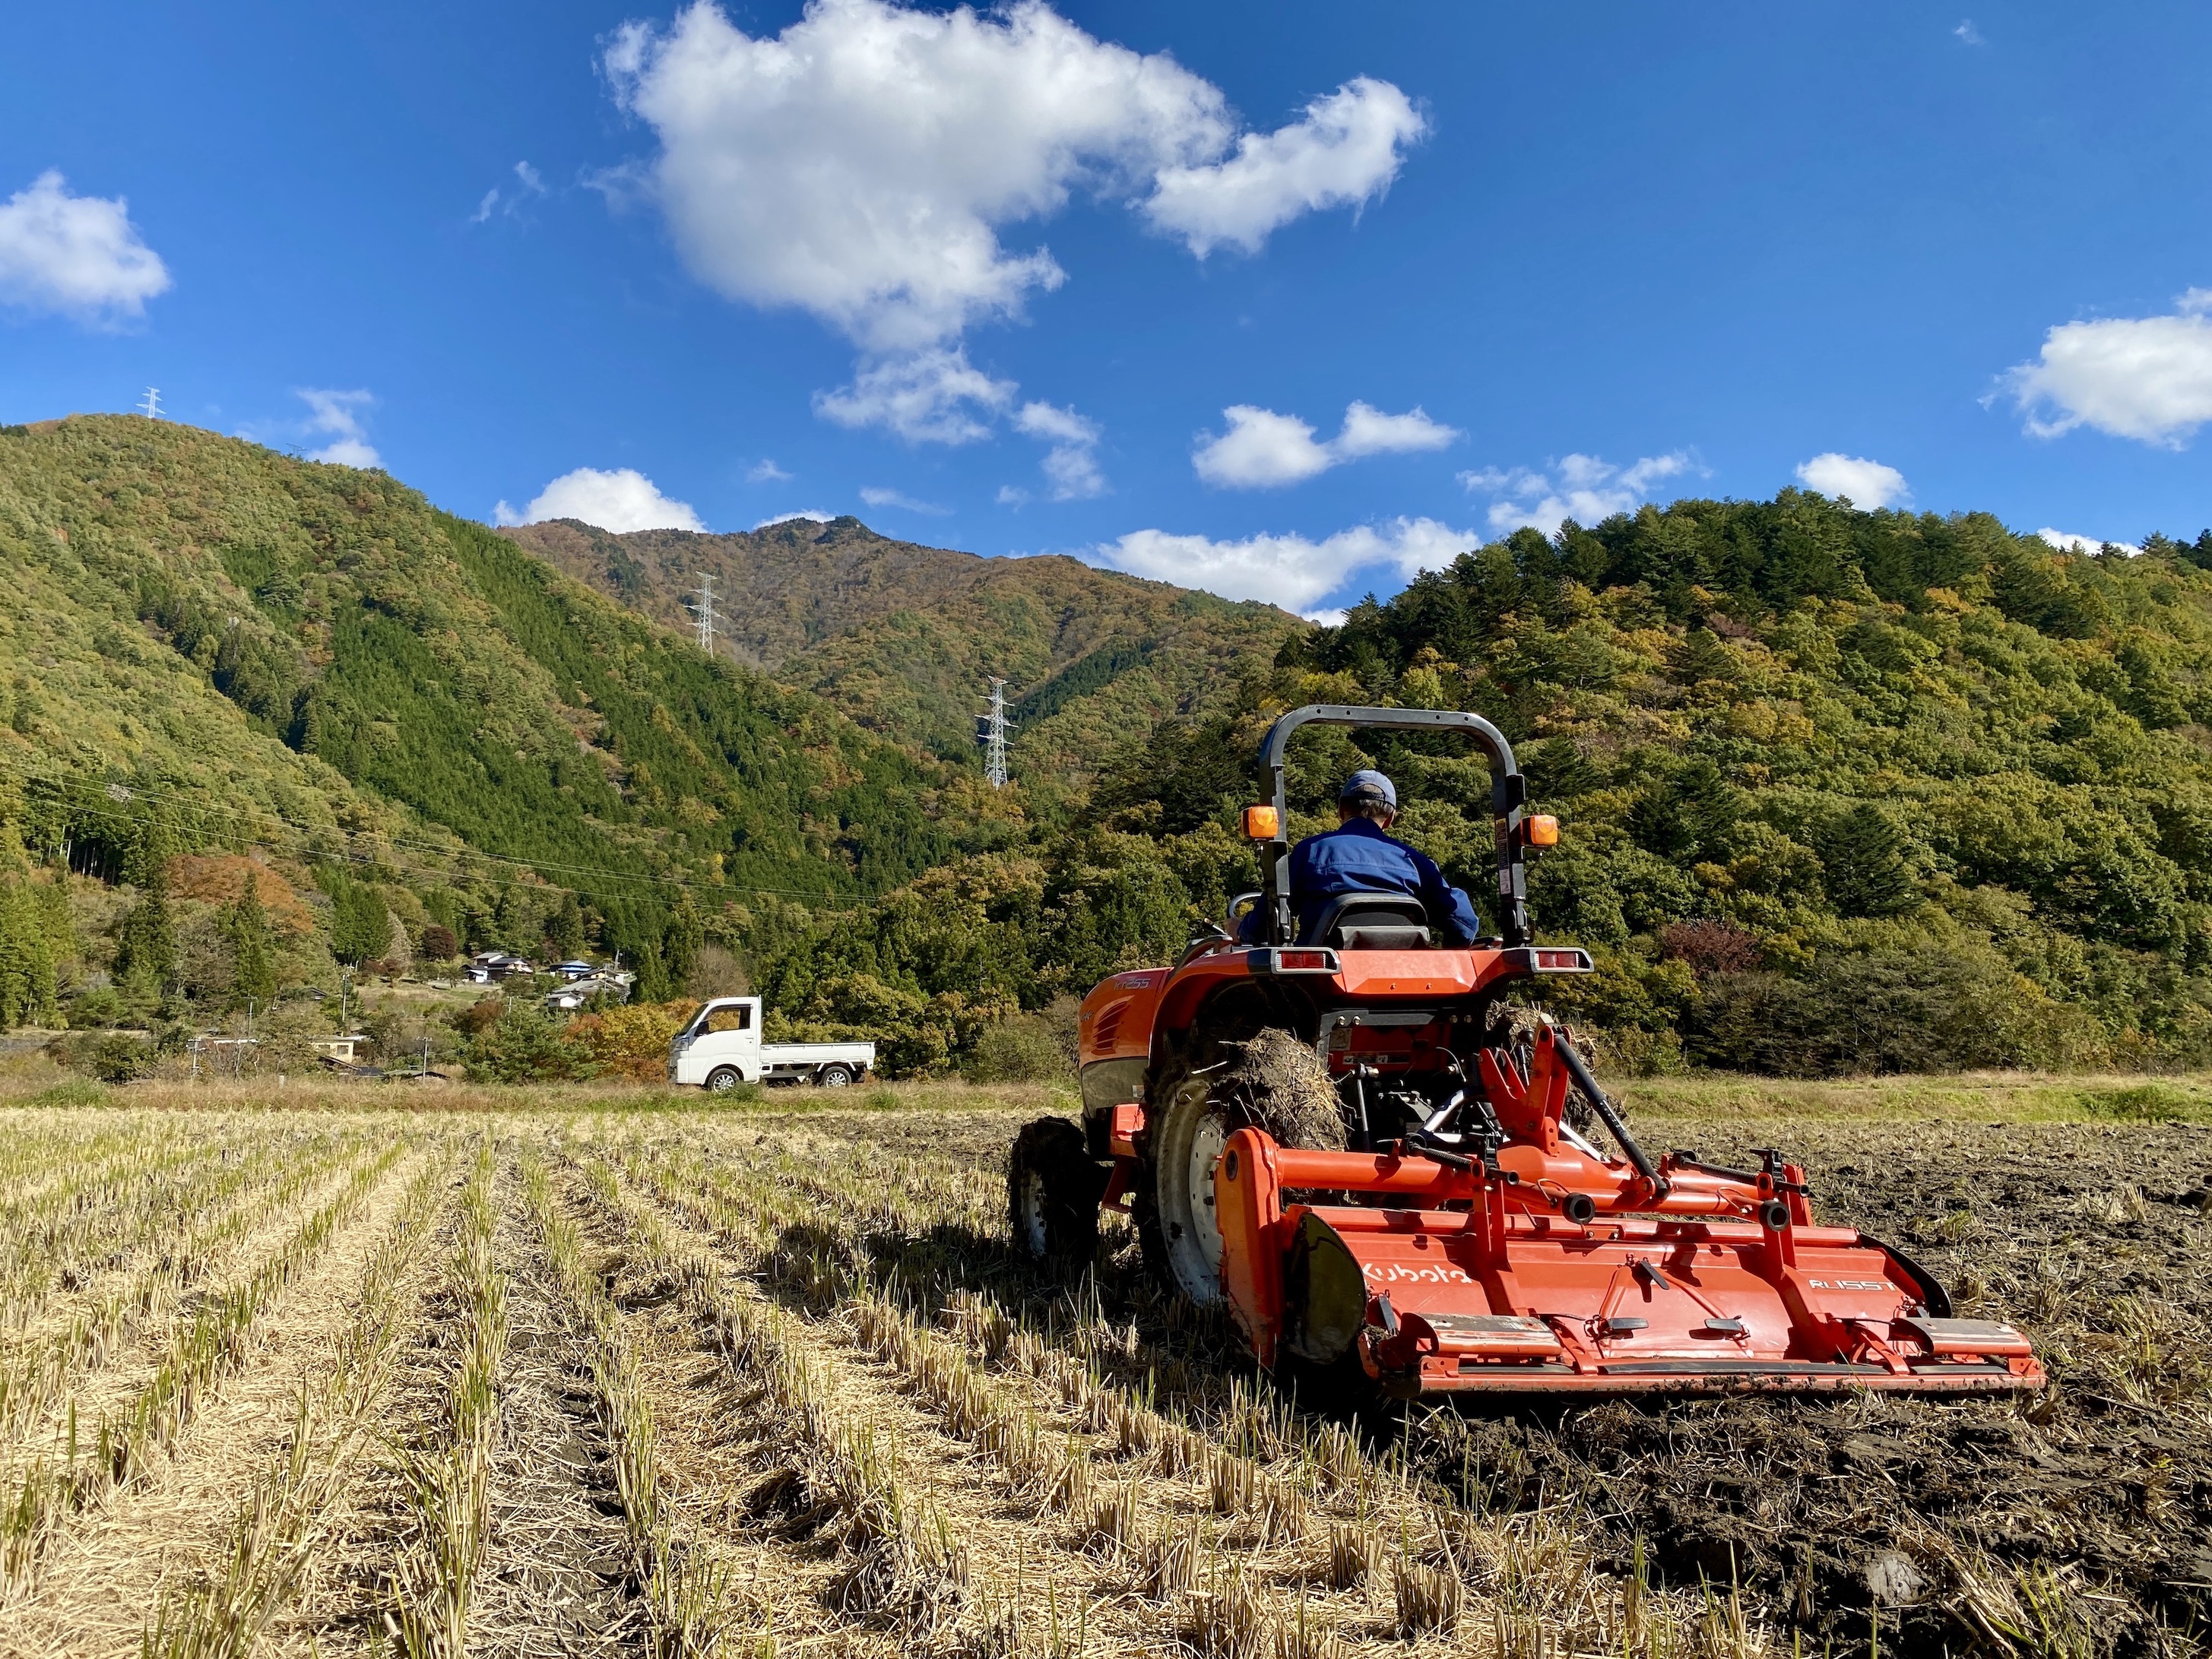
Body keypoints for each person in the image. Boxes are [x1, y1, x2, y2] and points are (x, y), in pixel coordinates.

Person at [1241, 770, 1483, 945]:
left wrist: (1242, 929)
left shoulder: (1310, 851)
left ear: (1340, 810)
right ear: (1390, 819)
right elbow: (1464, 925)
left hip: (1320, 981)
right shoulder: (1415, 861)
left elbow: (1265, 924)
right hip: (1403, 977)